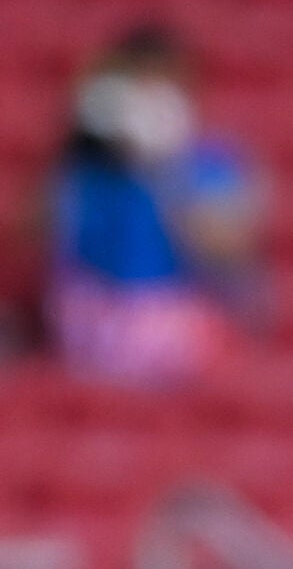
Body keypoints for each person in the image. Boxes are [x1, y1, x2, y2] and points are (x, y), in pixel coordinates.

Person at [46, 23, 267, 388]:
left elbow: (228, 254)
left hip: (179, 325)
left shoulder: (214, 163)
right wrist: (79, 140)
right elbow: (40, 245)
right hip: (95, 329)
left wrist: (165, 170)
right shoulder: (87, 167)